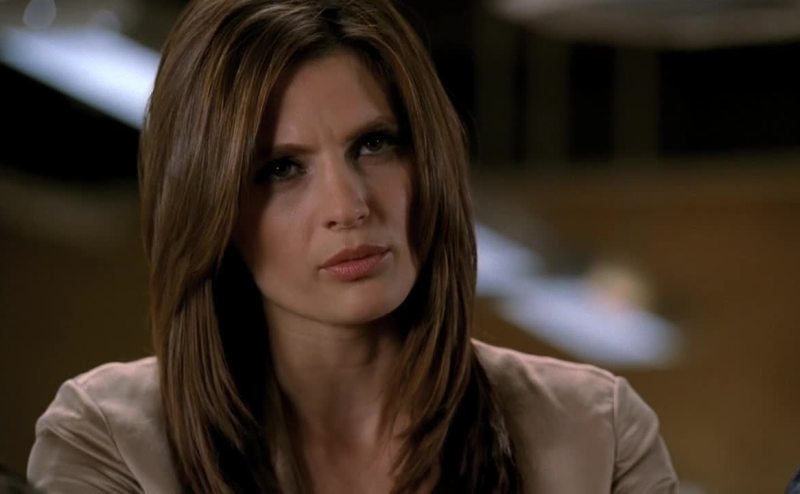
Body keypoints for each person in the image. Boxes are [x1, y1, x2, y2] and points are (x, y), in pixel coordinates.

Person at [27, 0, 678, 492]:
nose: (348, 206)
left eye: (374, 144)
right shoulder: (111, 437)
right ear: (209, 206)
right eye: (281, 168)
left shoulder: (593, 429)